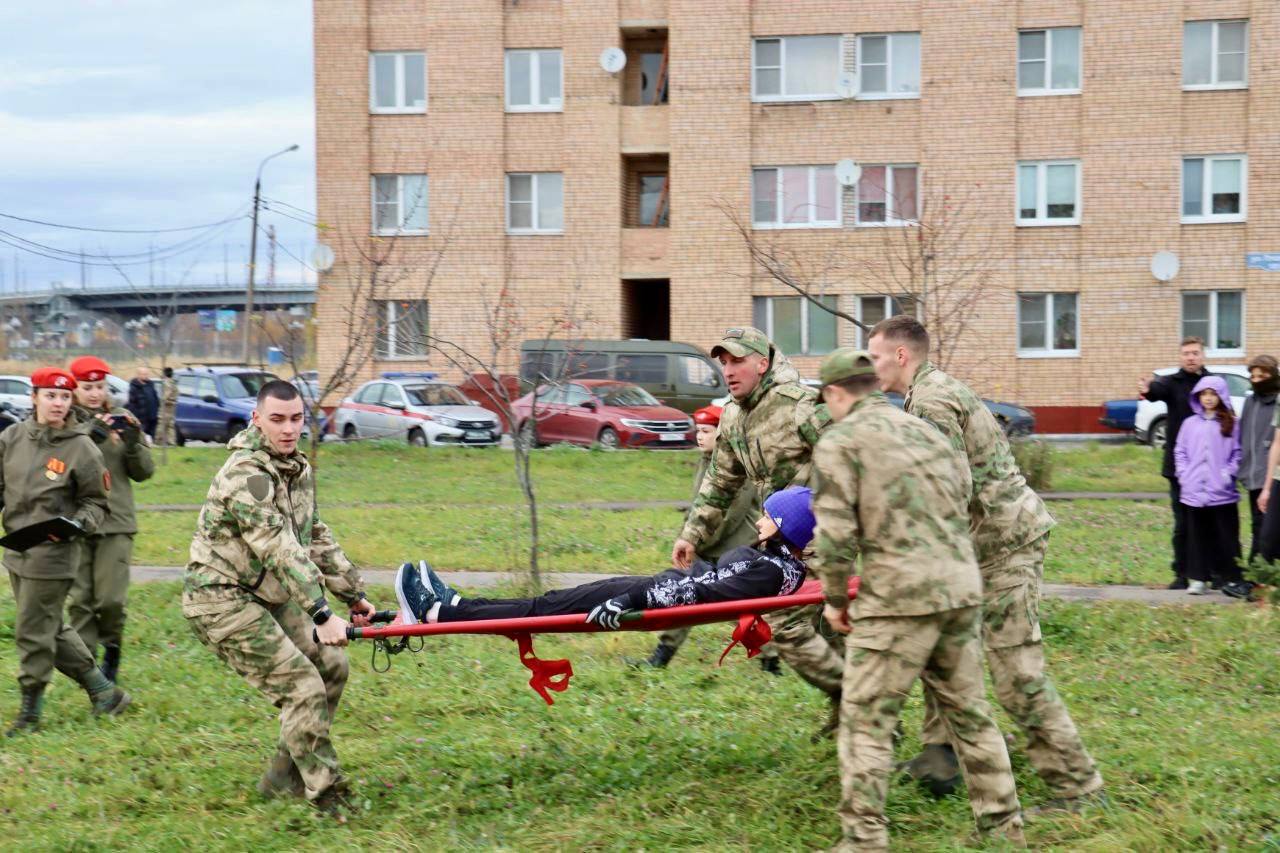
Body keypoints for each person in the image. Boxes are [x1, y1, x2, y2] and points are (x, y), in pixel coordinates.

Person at [868, 315, 1103, 810]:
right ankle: (943, 757)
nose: (872, 366)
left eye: (875, 357)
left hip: (1005, 545)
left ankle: (1078, 787)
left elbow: (950, 488)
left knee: (1016, 674)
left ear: (901, 356)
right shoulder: (926, 394)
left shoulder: (931, 401)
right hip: (980, 545)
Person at [810, 348, 1023, 850]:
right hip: (960, 588)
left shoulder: (841, 441)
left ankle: (863, 839)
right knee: (970, 715)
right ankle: (1004, 826)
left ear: (836, 394)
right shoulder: (926, 431)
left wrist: (836, 599)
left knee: (866, 719)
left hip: (899, 598)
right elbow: (965, 492)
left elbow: (835, 534)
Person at [183, 380, 376, 812]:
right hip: (220, 600)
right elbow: (277, 546)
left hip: (263, 594)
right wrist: (321, 612)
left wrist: (354, 595)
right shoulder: (245, 474)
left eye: (295, 419)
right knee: (302, 686)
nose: (288, 429)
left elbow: (314, 536)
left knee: (331, 666)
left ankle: (282, 777)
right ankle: (328, 795)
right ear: (256, 419)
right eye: (276, 419)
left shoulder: (294, 467)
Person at [396, 486, 814, 627]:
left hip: (647, 598)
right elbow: (710, 581)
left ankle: (436, 613)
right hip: (655, 589)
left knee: (541, 608)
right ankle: (451, 605)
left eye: (770, 515)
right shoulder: (775, 563)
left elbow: (706, 597)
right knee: (542, 604)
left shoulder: (771, 571)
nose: (761, 520)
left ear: (786, 526)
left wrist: (629, 600)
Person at [2, 367, 130, 736]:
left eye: (64, 397)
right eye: (50, 395)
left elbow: (96, 502)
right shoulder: (11, 439)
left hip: (54, 552)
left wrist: (77, 524)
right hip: (17, 550)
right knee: (50, 628)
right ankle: (104, 692)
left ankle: (30, 710)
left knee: (31, 630)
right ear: (35, 398)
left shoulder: (82, 447)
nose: (58, 403)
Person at [636, 404, 778, 671]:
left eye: (706, 430)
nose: (700, 436)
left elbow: (729, 515)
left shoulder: (737, 463)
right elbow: (695, 508)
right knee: (682, 596)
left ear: (721, 432)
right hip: (704, 547)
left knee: (743, 609)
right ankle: (662, 655)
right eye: (698, 431)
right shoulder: (705, 462)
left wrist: (696, 542)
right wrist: (686, 537)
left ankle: (770, 659)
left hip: (736, 548)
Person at [66, 356, 155, 683]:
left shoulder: (122, 418)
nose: (93, 393)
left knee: (111, 600)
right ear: (74, 388)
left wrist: (133, 444)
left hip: (116, 522)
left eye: (99, 386)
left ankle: (112, 647)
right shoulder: (65, 423)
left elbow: (144, 472)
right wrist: (89, 436)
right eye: (86, 387)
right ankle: (91, 674)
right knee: (81, 602)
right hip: (75, 522)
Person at [1139, 338, 1211, 589]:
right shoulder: (1172, 383)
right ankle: (1181, 573)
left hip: (1209, 465)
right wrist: (1147, 389)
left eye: (1195, 353)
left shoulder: (1211, 385)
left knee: (1208, 521)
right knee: (1182, 524)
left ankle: (1210, 572)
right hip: (1179, 468)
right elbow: (1155, 392)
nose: (1191, 357)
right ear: (1180, 357)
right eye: (1186, 354)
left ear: (1203, 356)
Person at [1174, 376, 1248, 597]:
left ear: (1221, 396)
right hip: (1193, 491)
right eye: (1204, 394)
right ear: (1198, 397)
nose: (1208, 398)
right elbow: (1180, 451)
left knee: (1227, 537)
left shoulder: (1232, 423)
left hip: (1222, 492)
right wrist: (1184, 475)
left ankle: (1231, 578)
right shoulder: (1189, 424)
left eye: (1213, 394)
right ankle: (1198, 578)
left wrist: (1228, 474)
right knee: (1197, 537)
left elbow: (1238, 453)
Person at [1239, 355, 1278, 564]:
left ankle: (1259, 577)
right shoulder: (1249, 401)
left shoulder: (1278, 402)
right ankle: (1256, 576)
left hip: (1272, 476)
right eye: (1253, 376)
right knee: (1256, 525)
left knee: (1268, 530)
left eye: (1262, 376)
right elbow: (1243, 433)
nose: (1257, 381)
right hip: (1252, 474)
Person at [126, 366, 160, 438]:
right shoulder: (134, 387)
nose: (146, 376)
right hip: (141, 418)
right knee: (142, 438)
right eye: (144, 374)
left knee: (151, 438)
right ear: (138, 375)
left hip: (152, 417)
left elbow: (155, 398)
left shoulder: (151, 385)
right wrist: (136, 417)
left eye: (147, 374)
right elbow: (132, 404)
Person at [156, 366, 178, 447]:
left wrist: (163, 400)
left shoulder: (166, 383)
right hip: (172, 407)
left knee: (162, 424)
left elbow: (166, 395)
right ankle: (172, 442)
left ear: (164, 373)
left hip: (166, 407)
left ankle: (159, 441)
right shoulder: (173, 383)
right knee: (170, 425)